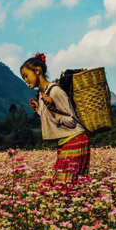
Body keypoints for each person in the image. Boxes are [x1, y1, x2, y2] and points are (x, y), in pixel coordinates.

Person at [20, 52, 89, 186]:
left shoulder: (56, 92)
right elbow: (53, 118)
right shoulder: (42, 94)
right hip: (65, 142)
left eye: (26, 75)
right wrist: (39, 109)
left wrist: (51, 108)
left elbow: (71, 121)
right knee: (65, 187)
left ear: (37, 71)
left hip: (75, 140)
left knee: (61, 187)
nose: (25, 80)